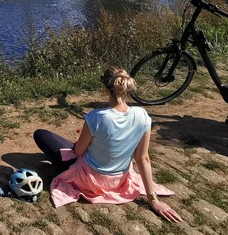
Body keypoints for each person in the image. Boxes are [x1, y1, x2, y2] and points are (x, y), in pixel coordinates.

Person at [33, 66, 182, 222]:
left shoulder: (96, 117)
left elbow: (78, 151)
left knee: (41, 135)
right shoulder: (142, 115)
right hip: (120, 181)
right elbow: (143, 158)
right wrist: (153, 199)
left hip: (90, 181)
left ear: (105, 88)